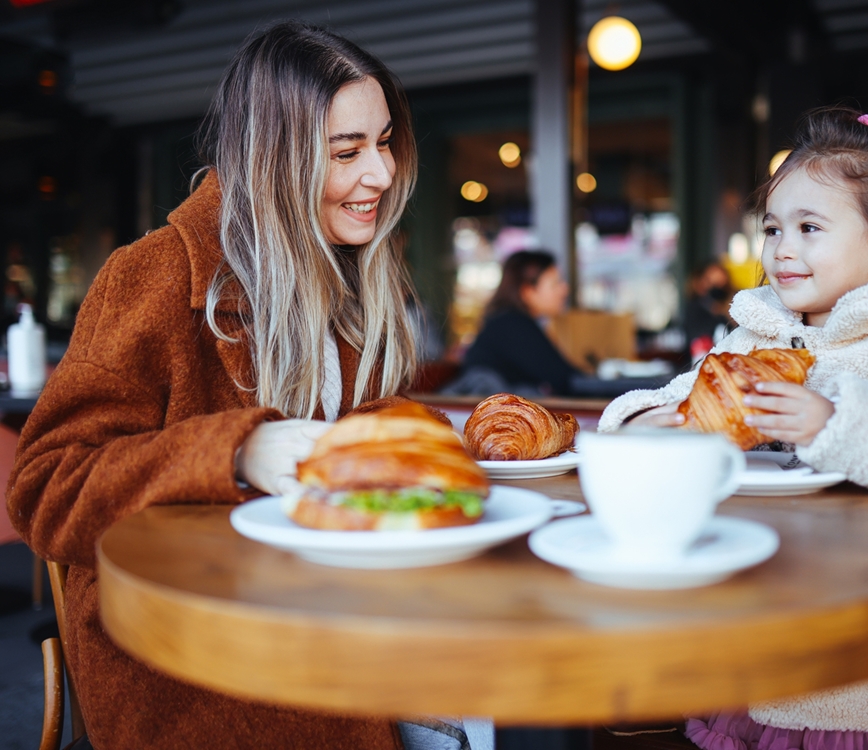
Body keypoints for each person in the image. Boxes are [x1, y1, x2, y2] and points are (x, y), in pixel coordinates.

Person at [4, 22, 456, 750]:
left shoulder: (344, 273)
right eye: (347, 152)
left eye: (384, 141)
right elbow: (45, 489)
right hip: (189, 650)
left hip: (331, 606)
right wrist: (238, 453)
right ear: (273, 160)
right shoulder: (152, 275)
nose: (381, 173)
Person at [599, 107, 868, 749]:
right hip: (755, 644)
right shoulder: (749, 337)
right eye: (773, 228)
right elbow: (673, 400)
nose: (782, 249)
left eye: (810, 228)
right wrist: (652, 423)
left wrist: (838, 421)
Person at [459, 250, 581, 396]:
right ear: (527, 291)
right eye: (555, 284)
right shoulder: (511, 325)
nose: (565, 289)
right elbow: (563, 378)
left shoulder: (508, 321)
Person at [682, 260, 731, 362]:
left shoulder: (732, 309)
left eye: (720, 285)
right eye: (711, 283)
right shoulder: (694, 309)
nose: (715, 290)